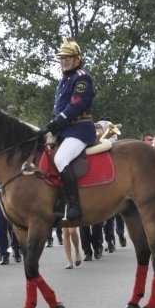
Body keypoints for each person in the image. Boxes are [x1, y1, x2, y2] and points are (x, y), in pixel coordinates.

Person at [38, 39, 95, 221]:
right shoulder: (65, 78)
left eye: (68, 57)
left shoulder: (82, 77)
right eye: (62, 58)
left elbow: (76, 105)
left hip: (79, 129)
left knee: (61, 158)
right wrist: (52, 125)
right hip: (65, 129)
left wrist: (57, 122)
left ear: (77, 59)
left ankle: (74, 206)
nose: (64, 61)